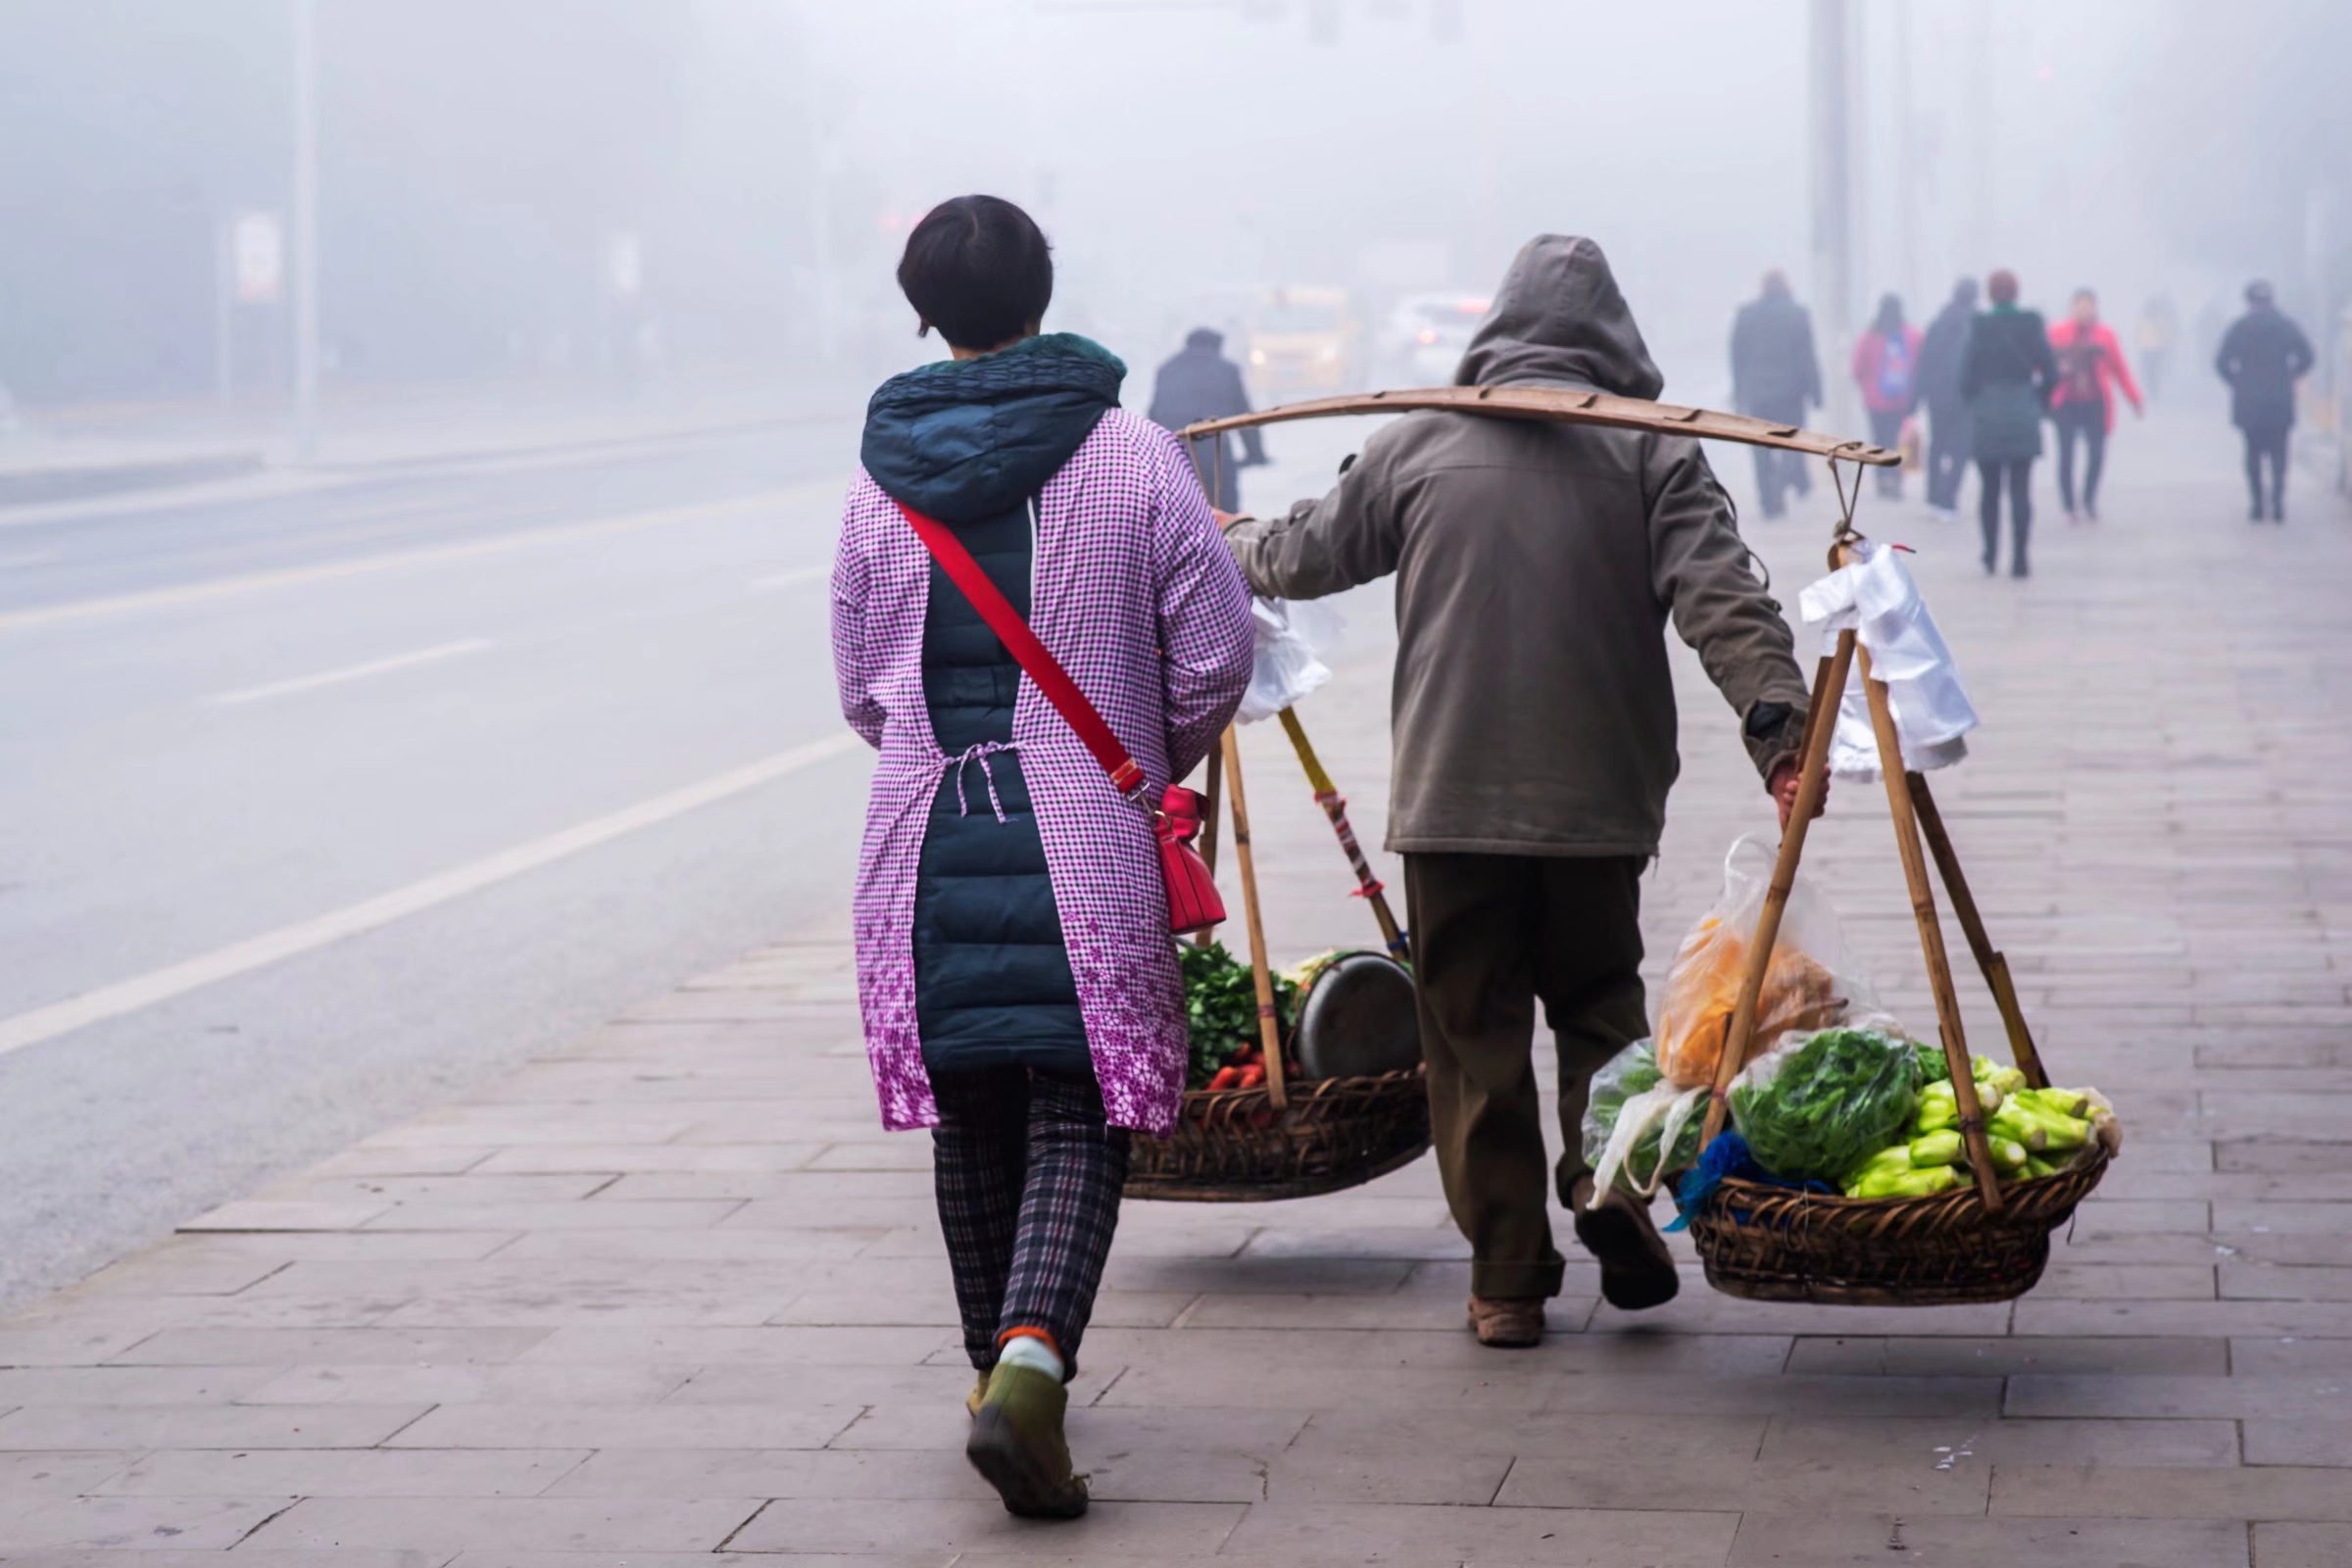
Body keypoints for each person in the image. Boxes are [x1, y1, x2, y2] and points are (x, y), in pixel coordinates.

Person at [1220, 236, 1818, 1348]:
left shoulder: (1418, 442)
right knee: (1600, 1006)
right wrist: (1780, 732)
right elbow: (1725, 601)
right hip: (1598, 803)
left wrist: (1231, 541)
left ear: (1497, 329)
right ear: (1617, 339)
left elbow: (1307, 554)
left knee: (1472, 1029)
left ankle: (1506, 1280)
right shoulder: (1656, 457)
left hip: (1452, 801)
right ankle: (1608, 1191)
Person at [831, 195, 1253, 1517]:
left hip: (920, 843)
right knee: (1077, 1106)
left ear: (923, 312)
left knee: (974, 1106)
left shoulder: (874, 477)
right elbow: (1219, 649)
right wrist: (1138, 757)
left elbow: (858, 686)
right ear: (1044, 292)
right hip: (1085, 839)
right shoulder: (1132, 457)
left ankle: (993, 1385)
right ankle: (1031, 1369)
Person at [1958, 269, 2057, 577]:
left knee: (1989, 490)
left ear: (1990, 294)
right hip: (2022, 413)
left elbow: (1964, 377)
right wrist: (2036, 400)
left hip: (1988, 414)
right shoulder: (2031, 325)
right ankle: (2020, 558)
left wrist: (1978, 400)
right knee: (2020, 490)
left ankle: (1990, 555)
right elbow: (2051, 373)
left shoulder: (1979, 327)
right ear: (2016, 292)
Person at [2215, 279, 2316, 522]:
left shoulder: (2239, 328)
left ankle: (2257, 504)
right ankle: (2279, 501)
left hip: (2249, 401)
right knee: (2279, 452)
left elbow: (2220, 362)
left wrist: (2237, 381)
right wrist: (2292, 374)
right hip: (2279, 398)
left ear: (2248, 301)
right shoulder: (2286, 326)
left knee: (2253, 452)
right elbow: (2308, 355)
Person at [1729, 269, 1823, 518]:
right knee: (1791, 443)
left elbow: (1737, 359)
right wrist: (1816, 393)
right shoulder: (1797, 314)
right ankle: (1780, 484)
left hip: (1757, 394)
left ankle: (1767, 501)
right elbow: (1807, 356)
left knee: (1760, 449)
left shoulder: (1747, 315)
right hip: (1791, 393)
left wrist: (1739, 394)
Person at [2045, 288, 2144, 522]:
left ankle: (2089, 499)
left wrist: (2134, 399)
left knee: (2097, 455)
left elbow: (2120, 370)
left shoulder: (2105, 335)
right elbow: (2043, 365)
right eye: (2079, 306)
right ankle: (2069, 505)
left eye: (2088, 306)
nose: (2084, 311)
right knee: (2066, 455)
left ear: (2095, 309)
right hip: (2066, 402)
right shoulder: (2057, 333)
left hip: (2095, 403)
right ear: (2072, 308)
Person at [1147, 326, 1267, 512]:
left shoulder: (1166, 369)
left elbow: (1154, 414)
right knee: (1224, 513)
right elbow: (1243, 415)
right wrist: (1255, 454)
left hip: (1173, 454)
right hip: (1215, 451)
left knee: (1176, 510)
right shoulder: (1227, 369)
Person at [1915, 277, 1980, 520]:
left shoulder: (1938, 323)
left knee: (1937, 445)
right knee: (1962, 448)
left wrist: (1917, 395)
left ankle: (1933, 495)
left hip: (1938, 395)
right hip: (1967, 396)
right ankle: (1949, 496)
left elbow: (1924, 362)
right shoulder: (1978, 324)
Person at [1850, 293, 1923, 499]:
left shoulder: (1869, 337)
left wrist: (1867, 386)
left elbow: (1856, 369)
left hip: (1874, 400)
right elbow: (1921, 367)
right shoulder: (1912, 336)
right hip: (1903, 399)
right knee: (1898, 440)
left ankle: (1882, 480)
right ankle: (1897, 480)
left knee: (1879, 440)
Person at [2136, 294, 2178, 404]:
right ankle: (2153, 392)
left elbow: (2167, 334)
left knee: (2153, 373)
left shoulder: (2159, 319)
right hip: (2147, 349)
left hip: (2157, 350)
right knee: (2148, 373)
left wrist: (2166, 344)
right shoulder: (2145, 320)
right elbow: (2139, 333)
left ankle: (2155, 394)